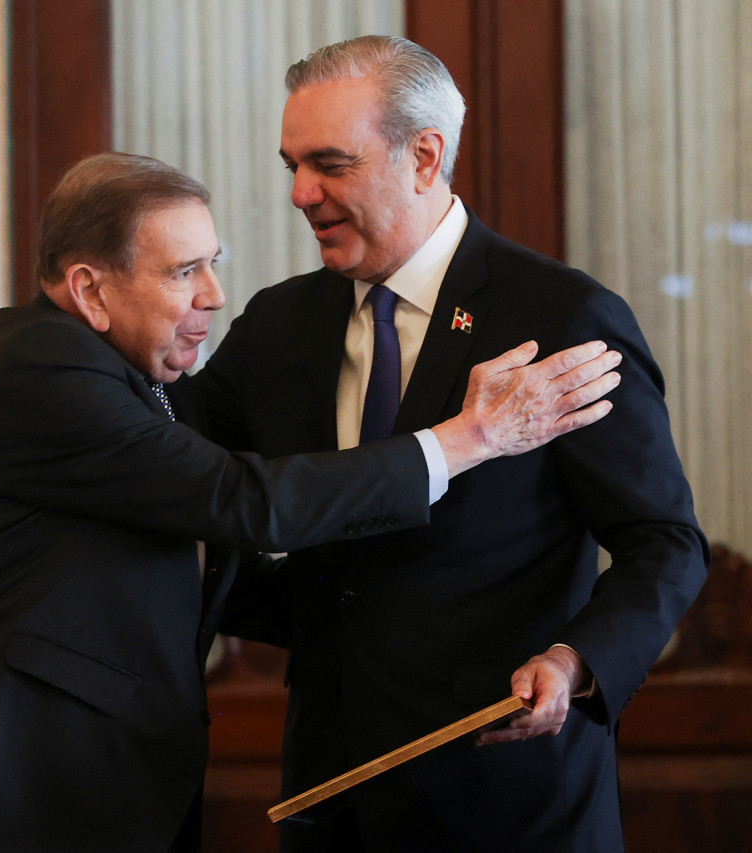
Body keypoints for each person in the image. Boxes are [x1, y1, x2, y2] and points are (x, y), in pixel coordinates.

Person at [0, 152, 619, 853]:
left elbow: (211, 561)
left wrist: (500, 632)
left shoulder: (113, 384)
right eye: (184, 271)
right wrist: (466, 438)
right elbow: (245, 500)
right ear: (90, 291)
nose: (213, 296)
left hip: (91, 790)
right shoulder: (46, 363)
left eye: (214, 265)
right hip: (16, 794)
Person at [189, 36, 707, 852]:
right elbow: (169, 459)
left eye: (329, 163)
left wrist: (576, 660)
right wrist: (43, 382)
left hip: (509, 799)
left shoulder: (561, 319)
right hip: (332, 791)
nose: (299, 192)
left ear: (424, 156)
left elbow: (664, 544)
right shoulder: (280, 323)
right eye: (291, 164)